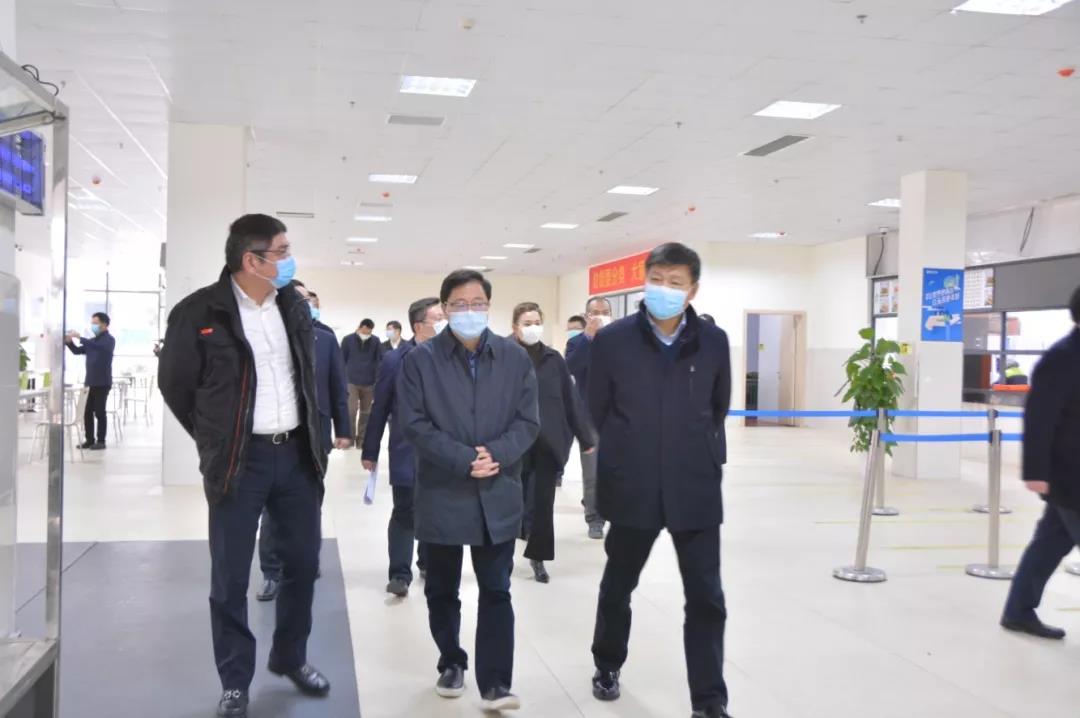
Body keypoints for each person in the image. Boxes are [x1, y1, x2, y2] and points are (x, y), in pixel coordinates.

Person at [158, 214, 331, 718]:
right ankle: (235, 680)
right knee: (231, 576)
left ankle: (290, 657)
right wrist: (216, 439)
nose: (289, 260)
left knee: (303, 564)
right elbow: (176, 385)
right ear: (251, 260)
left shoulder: (293, 305)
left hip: (296, 456)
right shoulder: (199, 312)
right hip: (240, 461)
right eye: (282, 251)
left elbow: (306, 374)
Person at [588, 242, 733, 718]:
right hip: (632, 486)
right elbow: (596, 408)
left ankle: (709, 700)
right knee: (618, 585)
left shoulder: (713, 342)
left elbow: (718, 407)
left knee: (707, 597)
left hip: (695, 487)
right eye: (657, 280)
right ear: (644, 281)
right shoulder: (613, 341)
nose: (665, 289)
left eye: (676, 282)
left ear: (692, 290)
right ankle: (607, 663)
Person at [397, 269, 539, 712]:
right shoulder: (420, 361)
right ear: (444, 308)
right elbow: (414, 423)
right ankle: (451, 661)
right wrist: (463, 459)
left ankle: (496, 683)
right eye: (459, 304)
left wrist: (496, 454)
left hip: (497, 488)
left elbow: (528, 420)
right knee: (442, 589)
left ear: (489, 307)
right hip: (443, 488)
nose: (470, 311)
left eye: (478, 303)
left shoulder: (514, 359)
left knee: (497, 588)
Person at [256, 281, 353, 603]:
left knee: (310, 503)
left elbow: (338, 386)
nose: (304, 304)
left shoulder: (326, 339)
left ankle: (306, 560)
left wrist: (343, 429)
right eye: (296, 299)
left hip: (315, 435)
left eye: (308, 299)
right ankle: (271, 571)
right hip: (273, 437)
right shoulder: (266, 337)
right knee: (272, 508)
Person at [1000, 285, 1080, 640]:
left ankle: (1017, 611)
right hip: (1070, 475)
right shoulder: (1062, 358)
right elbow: (1039, 417)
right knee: (1048, 543)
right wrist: (1035, 472)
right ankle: (1018, 611)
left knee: (1048, 544)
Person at [362, 298, 447, 597]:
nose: (445, 322)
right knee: (405, 510)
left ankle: (428, 563)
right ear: (418, 325)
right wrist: (370, 450)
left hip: (444, 450)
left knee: (436, 509)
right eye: (439, 318)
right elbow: (380, 407)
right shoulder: (395, 359)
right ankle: (399, 573)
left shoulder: (452, 358)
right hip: (406, 448)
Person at [511, 302, 595, 584]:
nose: (533, 327)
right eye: (527, 323)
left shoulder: (553, 359)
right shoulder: (503, 356)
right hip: (512, 443)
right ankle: (502, 556)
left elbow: (570, 399)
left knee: (542, 504)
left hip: (546, 443)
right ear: (515, 327)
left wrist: (585, 436)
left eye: (537, 322)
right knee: (511, 501)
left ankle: (538, 557)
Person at [566, 296, 613, 539]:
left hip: (617, 416)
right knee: (592, 471)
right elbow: (571, 367)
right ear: (587, 316)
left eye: (605, 311)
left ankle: (607, 506)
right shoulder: (576, 342)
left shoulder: (620, 340)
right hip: (588, 417)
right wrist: (589, 338)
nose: (601, 316)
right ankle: (594, 518)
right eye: (596, 312)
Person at [65, 312, 116, 450]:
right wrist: (69, 342)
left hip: (102, 383)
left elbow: (98, 347)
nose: (93, 326)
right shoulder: (92, 341)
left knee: (99, 412)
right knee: (87, 412)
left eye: (95, 323)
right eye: (92, 323)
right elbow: (77, 351)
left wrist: (79, 337)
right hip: (89, 382)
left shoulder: (109, 340)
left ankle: (101, 441)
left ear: (104, 324)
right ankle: (89, 440)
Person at [341, 318, 382, 443]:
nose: (367, 333)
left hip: (369, 382)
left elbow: (379, 361)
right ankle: (350, 438)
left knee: (366, 413)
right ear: (361, 327)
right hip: (351, 381)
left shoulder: (375, 341)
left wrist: (377, 380)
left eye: (370, 331)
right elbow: (341, 360)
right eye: (366, 330)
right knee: (351, 411)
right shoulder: (348, 340)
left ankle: (362, 440)